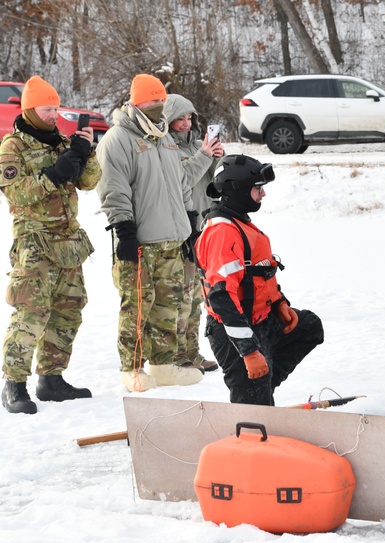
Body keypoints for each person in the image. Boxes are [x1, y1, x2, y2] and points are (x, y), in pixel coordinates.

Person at [0, 76, 100, 414]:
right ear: (30, 109)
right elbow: (18, 193)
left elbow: (88, 181)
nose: (55, 114)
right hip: (35, 244)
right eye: (48, 109)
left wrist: (86, 152)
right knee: (31, 313)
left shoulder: (61, 141)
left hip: (69, 243)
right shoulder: (13, 146)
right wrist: (54, 173)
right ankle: (13, 385)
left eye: (57, 108)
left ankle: (52, 379)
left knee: (68, 312)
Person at [96, 73, 203, 392]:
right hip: (140, 241)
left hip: (173, 238)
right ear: (136, 101)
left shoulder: (165, 137)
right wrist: (123, 229)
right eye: (153, 100)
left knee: (168, 305)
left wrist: (191, 224)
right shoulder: (118, 139)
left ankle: (163, 363)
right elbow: (112, 188)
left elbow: (181, 184)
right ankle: (132, 369)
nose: (159, 104)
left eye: (161, 100)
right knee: (138, 305)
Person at [195, 154, 324, 405]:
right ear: (239, 190)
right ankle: (254, 399)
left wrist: (279, 304)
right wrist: (250, 352)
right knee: (254, 412)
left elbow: (258, 276)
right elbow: (221, 298)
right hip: (234, 332)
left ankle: (262, 387)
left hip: (261, 321)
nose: (262, 195)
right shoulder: (223, 232)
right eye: (258, 189)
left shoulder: (239, 222)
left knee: (309, 327)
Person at [164, 93, 224, 374]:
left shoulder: (195, 145)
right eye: (180, 118)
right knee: (181, 295)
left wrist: (214, 160)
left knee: (198, 295)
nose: (186, 123)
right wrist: (203, 156)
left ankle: (192, 352)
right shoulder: (165, 146)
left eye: (189, 118)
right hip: (181, 227)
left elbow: (206, 183)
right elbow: (182, 180)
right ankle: (177, 355)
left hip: (202, 224)